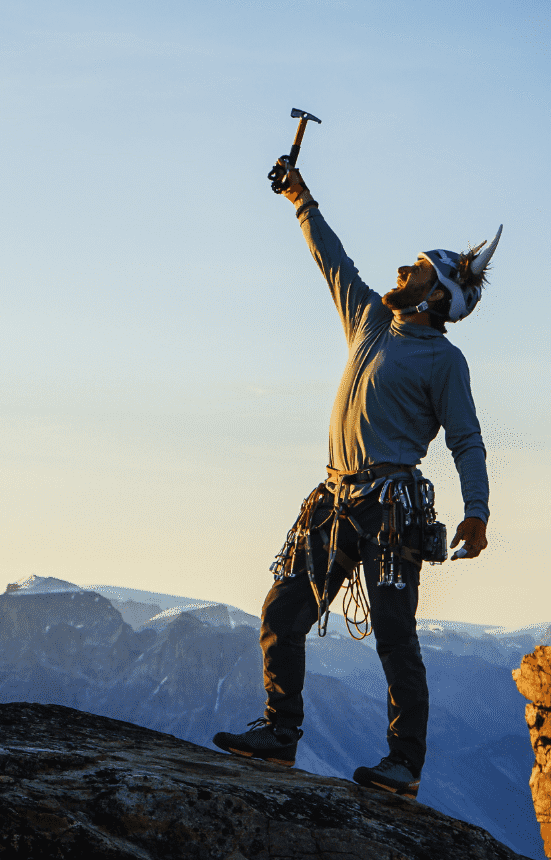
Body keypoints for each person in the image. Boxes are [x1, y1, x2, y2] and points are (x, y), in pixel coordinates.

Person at [212, 162, 500, 799]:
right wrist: (300, 198)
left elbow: (467, 441)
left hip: (393, 505)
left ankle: (403, 765)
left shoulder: (445, 361)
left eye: (418, 269)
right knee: (282, 610)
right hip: (337, 495)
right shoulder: (369, 319)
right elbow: (332, 260)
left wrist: (477, 511)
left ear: (438, 296)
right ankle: (280, 735)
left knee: (396, 636)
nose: (403, 270)